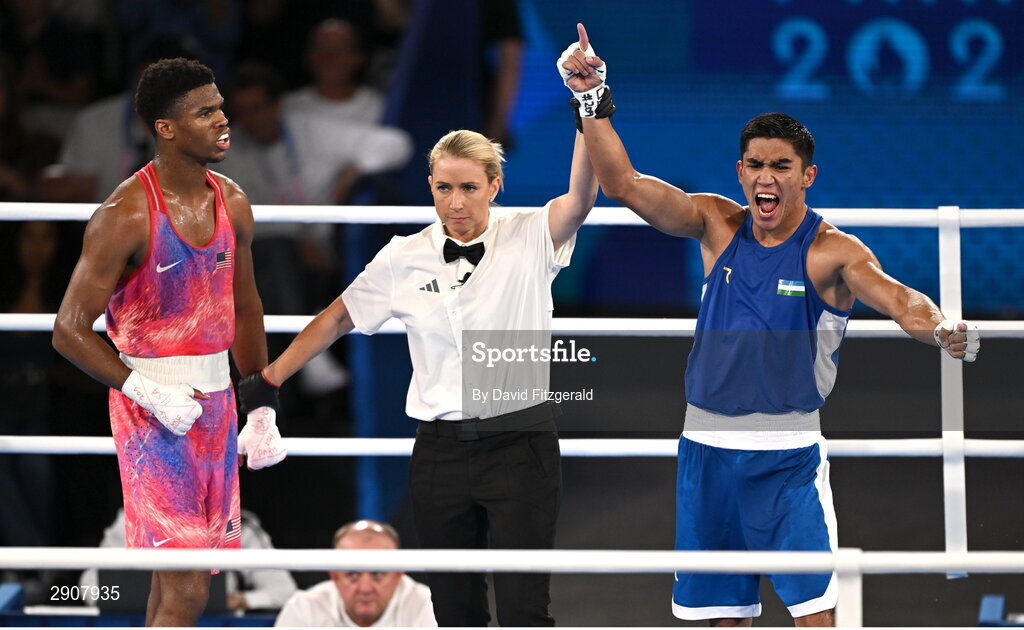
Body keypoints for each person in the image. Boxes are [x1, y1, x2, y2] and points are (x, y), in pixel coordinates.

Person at [558, 23, 981, 628]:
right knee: (721, 618)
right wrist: (590, 97)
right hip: (704, 450)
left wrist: (939, 326)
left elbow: (896, 298)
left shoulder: (832, 252)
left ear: (807, 176)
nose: (766, 177)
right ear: (739, 171)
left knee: (814, 617)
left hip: (786, 460)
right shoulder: (715, 224)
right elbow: (623, 185)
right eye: (755, 164)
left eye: (781, 166)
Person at [237, 44, 601, 623]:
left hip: (519, 443)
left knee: (525, 610)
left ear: (495, 185)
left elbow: (583, 195)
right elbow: (338, 316)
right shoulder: (403, 256)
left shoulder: (532, 233)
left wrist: (589, 100)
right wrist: (269, 379)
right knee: (453, 610)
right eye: (443, 188)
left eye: (469, 188)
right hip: (438, 451)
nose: (455, 203)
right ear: (430, 185)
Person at [51, 57, 286, 627]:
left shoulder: (232, 201)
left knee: (177, 585)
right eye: (205, 112)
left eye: (220, 107)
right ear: (166, 127)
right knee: (187, 594)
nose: (223, 120)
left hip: (219, 407)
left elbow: (246, 307)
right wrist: (147, 393)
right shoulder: (125, 215)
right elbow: (68, 330)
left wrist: (260, 406)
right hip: (151, 414)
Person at [80, 509, 298, 612]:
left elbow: (284, 591)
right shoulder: (132, 519)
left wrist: (238, 600)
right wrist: (130, 599)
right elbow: (88, 585)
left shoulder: (236, 525)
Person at [275, 520, 436, 627]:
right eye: (352, 574)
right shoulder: (304, 608)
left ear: (398, 575)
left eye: (378, 574)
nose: (365, 589)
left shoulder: (428, 606)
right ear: (334, 576)